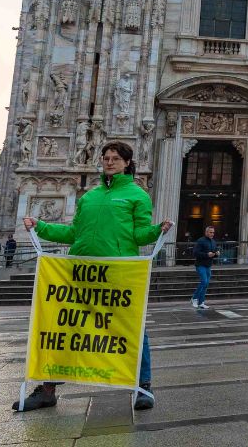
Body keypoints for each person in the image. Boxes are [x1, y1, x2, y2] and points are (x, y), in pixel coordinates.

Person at [13, 141, 173, 412]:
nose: (109, 162)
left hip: (118, 273)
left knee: (133, 328)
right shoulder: (89, 196)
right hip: (81, 271)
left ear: (126, 162)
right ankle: (48, 389)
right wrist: (40, 226)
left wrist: (158, 230)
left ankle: (143, 386)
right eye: (106, 158)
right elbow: (74, 233)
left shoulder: (137, 195)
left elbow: (139, 234)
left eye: (115, 158)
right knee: (65, 328)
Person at [192, 226, 217, 310]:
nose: (212, 234)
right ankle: (194, 298)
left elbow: (214, 252)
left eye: (213, 232)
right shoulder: (200, 241)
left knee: (206, 284)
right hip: (200, 265)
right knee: (204, 281)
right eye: (210, 232)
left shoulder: (213, 242)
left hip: (208, 265)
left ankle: (201, 302)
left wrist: (216, 253)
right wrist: (207, 254)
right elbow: (195, 253)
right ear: (206, 232)